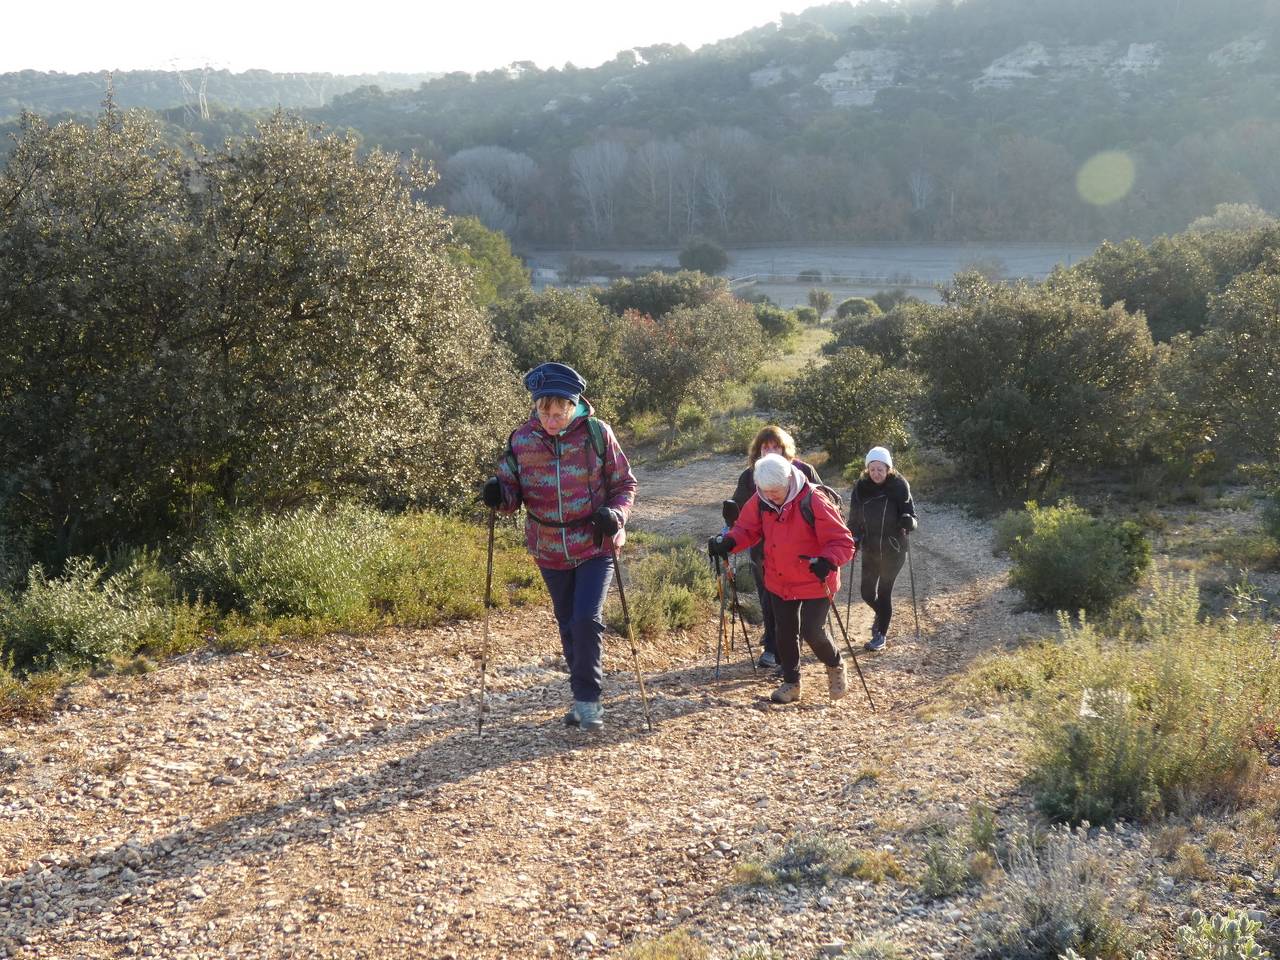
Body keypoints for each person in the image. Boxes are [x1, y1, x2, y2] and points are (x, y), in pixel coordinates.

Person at [481, 362, 637, 731]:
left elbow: (625, 485)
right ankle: (580, 697)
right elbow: (510, 497)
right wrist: (496, 495)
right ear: (535, 408)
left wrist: (616, 515)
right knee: (567, 623)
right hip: (548, 547)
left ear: (574, 405)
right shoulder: (520, 440)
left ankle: (589, 702)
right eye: (544, 412)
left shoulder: (597, 434)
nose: (551, 420)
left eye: (558, 413)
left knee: (586, 619)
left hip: (595, 543)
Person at [709, 453, 853, 704]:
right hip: (779, 577)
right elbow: (746, 529)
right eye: (766, 491)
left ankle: (835, 665)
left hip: (815, 578)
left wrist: (828, 560)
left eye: (776, 490)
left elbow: (842, 541)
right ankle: (791, 683)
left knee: (812, 631)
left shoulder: (814, 499)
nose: (772, 496)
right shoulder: (760, 499)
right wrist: (729, 542)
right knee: (784, 632)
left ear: (789, 479)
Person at [729, 426, 822, 671]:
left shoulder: (804, 471)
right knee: (770, 599)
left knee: (797, 601)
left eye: (775, 446)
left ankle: (791, 655)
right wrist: (729, 534)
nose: (770, 450)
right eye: (765, 447)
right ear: (758, 451)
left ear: (785, 449)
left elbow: (825, 503)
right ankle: (772, 646)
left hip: (800, 551)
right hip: (763, 550)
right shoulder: (750, 476)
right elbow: (740, 512)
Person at [847, 446, 918, 652]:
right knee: (867, 593)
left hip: (893, 550)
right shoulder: (861, 489)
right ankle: (882, 613)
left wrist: (908, 522)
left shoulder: (899, 487)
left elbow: (913, 517)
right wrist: (854, 537)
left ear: (888, 469)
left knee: (884, 592)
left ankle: (881, 635)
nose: (876, 473)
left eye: (881, 469)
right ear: (867, 469)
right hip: (870, 549)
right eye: (872, 469)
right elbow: (853, 519)